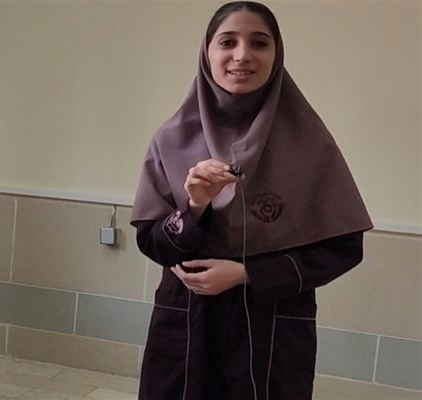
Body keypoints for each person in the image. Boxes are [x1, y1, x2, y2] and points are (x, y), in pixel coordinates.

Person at [131, 2, 373, 399]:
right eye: (228, 42)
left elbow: (342, 248)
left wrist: (247, 274)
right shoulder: (171, 140)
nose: (242, 55)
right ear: (207, 52)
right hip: (187, 323)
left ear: (276, 54)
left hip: (273, 324)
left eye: (259, 43)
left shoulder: (310, 145)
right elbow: (153, 243)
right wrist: (194, 207)